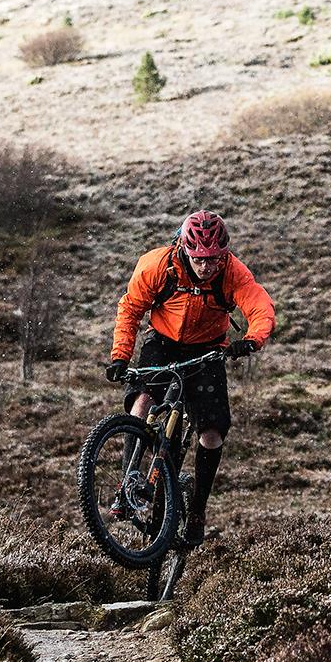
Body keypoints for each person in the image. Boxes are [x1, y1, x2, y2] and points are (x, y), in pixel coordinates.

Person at [105, 210, 274, 546]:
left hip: (207, 351)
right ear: (184, 248)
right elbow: (131, 309)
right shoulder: (157, 265)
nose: (206, 266)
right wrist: (120, 356)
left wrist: (253, 338)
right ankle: (128, 482)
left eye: (213, 259)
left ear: (223, 255)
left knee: (211, 433)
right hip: (162, 342)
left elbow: (259, 305)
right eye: (199, 259)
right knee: (142, 401)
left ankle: (197, 509)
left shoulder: (232, 273)